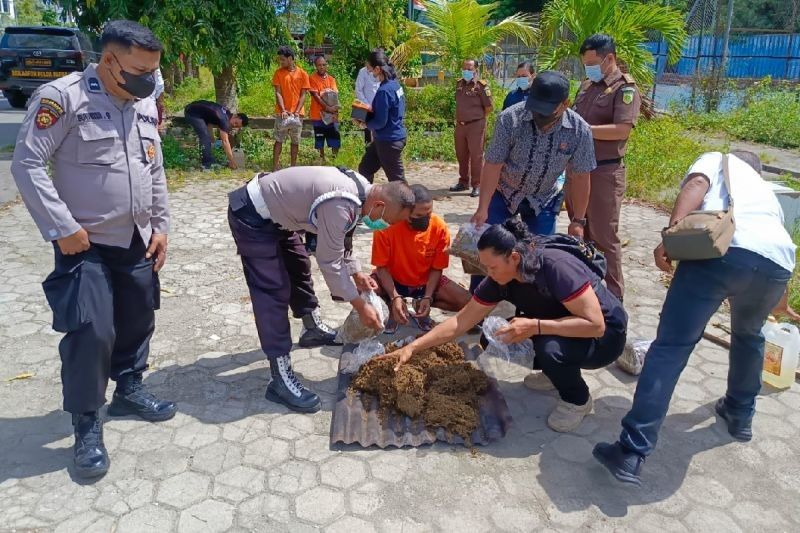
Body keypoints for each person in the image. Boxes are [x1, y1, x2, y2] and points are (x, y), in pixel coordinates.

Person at [11, 20, 176, 479]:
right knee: (92, 330)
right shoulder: (62, 98)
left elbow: (154, 167)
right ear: (108, 60)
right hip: (85, 243)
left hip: (136, 238)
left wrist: (161, 225)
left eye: (153, 71)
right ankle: (86, 421)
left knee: (139, 314)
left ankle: (129, 387)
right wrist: (61, 228)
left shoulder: (141, 104)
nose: (149, 80)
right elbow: (27, 164)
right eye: (140, 70)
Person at [594, 151, 797, 486]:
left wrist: (670, 236)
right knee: (750, 335)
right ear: (758, 169)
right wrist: (780, 300)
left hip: (722, 254)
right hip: (775, 270)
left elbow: (696, 185)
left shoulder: (718, 158)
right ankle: (740, 413)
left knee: (671, 348)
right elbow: (774, 247)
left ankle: (631, 452)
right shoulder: (764, 193)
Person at [388, 219, 627, 432]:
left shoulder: (556, 267)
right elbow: (460, 321)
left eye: (492, 267)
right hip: (567, 326)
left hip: (605, 339)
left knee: (549, 348)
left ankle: (577, 400)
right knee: (492, 337)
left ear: (514, 257)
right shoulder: (500, 278)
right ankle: (556, 373)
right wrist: (413, 348)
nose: (488, 274)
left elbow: (596, 325)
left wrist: (535, 326)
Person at [227, 166, 415, 413]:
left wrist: (356, 273)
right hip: (253, 216)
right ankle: (279, 380)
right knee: (273, 292)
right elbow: (330, 262)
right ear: (379, 205)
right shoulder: (341, 203)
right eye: (388, 220)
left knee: (299, 266)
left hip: (282, 219)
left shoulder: (361, 188)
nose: (385, 225)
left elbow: (340, 239)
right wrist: (361, 306)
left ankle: (311, 328)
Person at [469, 70, 596, 292]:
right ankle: (478, 303)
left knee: (537, 257)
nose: (539, 115)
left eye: (546, 110)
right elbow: (493, 165)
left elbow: (581, 176)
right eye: (535, 107)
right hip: (504, 191)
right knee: (489, 250)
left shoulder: (579, 131)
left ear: (565, 104)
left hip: (543, 198)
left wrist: (578, 220)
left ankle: (529, 307)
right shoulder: (510, 118)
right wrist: (483, 208)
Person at [571, 34, 642, 302]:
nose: (588, 69)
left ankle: (613, 301)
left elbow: (622, 130)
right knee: (581, 234)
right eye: (585, 64)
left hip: (604, 172)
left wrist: (584, 130)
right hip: (579, 171)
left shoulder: (625, 89)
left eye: (592, 63)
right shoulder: (588, 86)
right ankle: (587, 296)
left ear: (609, 58)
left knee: (604, 238)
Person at [371, 184, 471, 333]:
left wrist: (428, 297)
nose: (425, 219)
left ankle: (420, 303)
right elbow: (381, 267)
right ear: (405, 212)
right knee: (363, 291)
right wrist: (394, 297)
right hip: (392, 281)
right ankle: (391, 306)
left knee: (467, 302)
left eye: (428, 214)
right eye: (418, 216)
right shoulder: (386, 226)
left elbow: (437, 268)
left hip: (424, 283)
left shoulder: (440, 228)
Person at [356, 49, 407, 183]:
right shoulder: (395, 85)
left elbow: (380, 122)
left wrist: (365, 123)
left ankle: (409, 203)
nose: (370, 72)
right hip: (385, 138)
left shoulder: (384, 91)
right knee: (365, 169)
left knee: (397, 181)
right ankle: (367, 197)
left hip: (389, 140)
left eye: (371, 69)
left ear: (378, 69)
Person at [450, 59, 493, 198]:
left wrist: (479, 120)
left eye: (469, 68)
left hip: (476, 125)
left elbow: (489, 107)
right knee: (461, 154)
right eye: (464, 68)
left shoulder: (481, 86)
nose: (466, 71)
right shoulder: (459, 84)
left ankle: (477, 184)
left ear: (476, 70)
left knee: (476, 156)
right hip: (461, 125)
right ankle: (463, 182)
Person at [272, 46, 311, 170]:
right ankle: (275, 166)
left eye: (283, 60)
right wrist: (283, 110)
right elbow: (278, 92)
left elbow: (303, 94)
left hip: (297, 114)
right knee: (279, 139)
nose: (281, 62)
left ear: (290, 58)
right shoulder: (278, 73)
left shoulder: (303, 74)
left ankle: (293, 167)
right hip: (281, 113)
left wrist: (297, 112)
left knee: (295, 141)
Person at [183, 100, 249, 170]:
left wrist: (212, 139)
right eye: (235, 123)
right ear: (235, 115)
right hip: (192, 113)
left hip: (195, 109)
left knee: (208, 138)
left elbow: (210, 120)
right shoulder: (224, 120)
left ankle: (208, 157)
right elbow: (225, 141)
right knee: (205, 138)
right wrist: (232, 161)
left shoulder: (227, 113)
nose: (234, 125)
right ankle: (207, 164)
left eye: (236, 126)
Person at [309, 56, 341, 160]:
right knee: (320, 138)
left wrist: (334, 111)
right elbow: (316, 96)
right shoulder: (312, 78)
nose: (322, 67)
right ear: (316, 66)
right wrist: (327, 107)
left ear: (326, 65)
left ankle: (334, 160)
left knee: (335, 138)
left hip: (332, 114)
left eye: (323, 65)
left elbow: (335, 95)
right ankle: (322, 159)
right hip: (317, 114)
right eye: (319, 65)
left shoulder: (331, 79)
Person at [355, 53, 381, 144]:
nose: (367, 64)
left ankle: (378, 154)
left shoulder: (379, 71)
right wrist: (367, 105)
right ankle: (369, 153)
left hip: (379, 106)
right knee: (367, 130)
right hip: (366, 106)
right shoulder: (362, 72)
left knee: (378, 131)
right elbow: (358, 90)